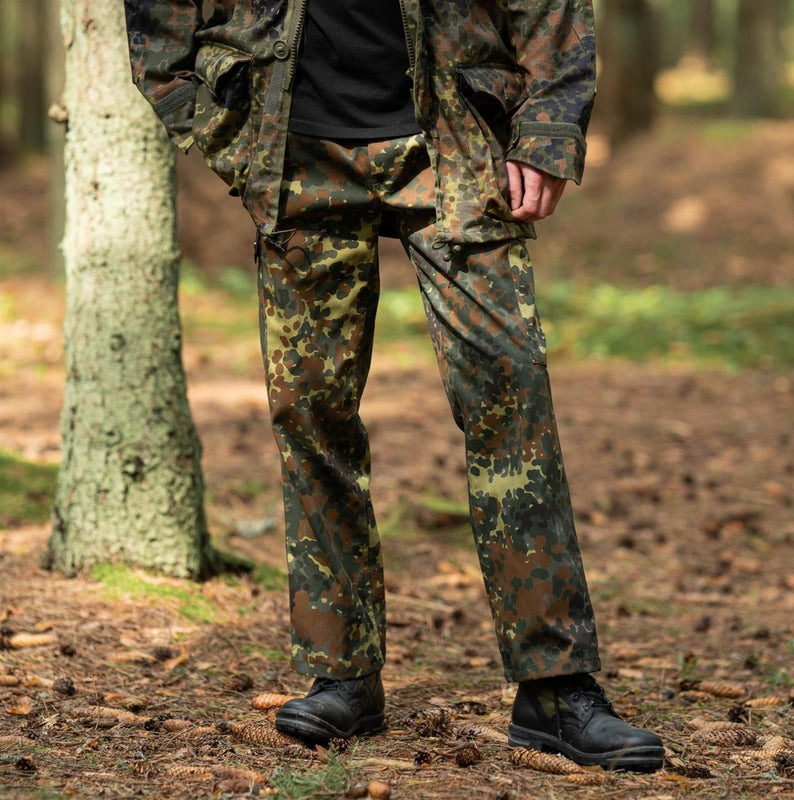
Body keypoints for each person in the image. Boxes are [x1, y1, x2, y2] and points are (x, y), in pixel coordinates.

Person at [125, 0, 664, 772]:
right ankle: (341, 672)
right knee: (313, 414)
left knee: (510, 393)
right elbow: (158, 31)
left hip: (456, 140)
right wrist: (232, 141)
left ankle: (555, 685)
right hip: (294, 152)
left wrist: (547, 129)